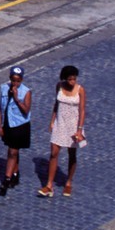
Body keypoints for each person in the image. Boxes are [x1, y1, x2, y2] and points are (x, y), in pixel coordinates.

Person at [38, 65, 87, 197]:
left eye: (74, 79)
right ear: (65, 78)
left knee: (72, 153)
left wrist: (80, 130)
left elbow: (82, 110)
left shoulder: (80, 90)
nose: (73, 82)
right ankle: (49, 185)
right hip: (60, 123)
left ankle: (69, 182)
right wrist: (52, 120)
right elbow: (56, 104)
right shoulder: (59, 86)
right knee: (54, 152)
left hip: (73, 125)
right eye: (70, 79)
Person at [0, 65, 32, 196]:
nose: (15, 83)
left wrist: (16, 99)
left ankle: (6, 179)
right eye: (13, 80)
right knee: (13, 151)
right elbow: (1, 108)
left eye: (18, 80)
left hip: (20, 125)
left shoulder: (26, 92)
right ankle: (15, 174)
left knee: (12, 151)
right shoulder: (4, 89)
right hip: (8, 124)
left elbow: (26, 110)